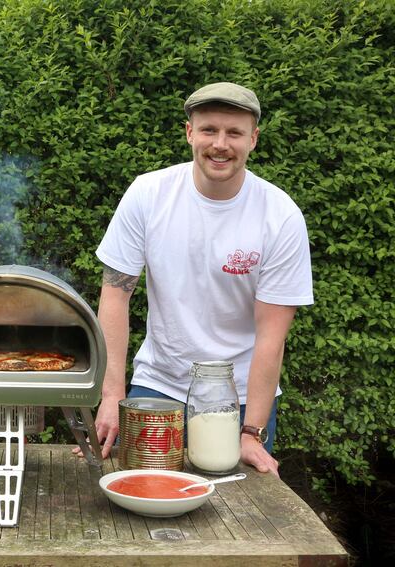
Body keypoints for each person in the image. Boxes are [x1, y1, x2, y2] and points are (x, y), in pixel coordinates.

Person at [87, 82, 313, 476]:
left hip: (239, 399)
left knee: (240, 514)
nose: (220, 144)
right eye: (209, 130)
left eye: (234, 133)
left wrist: (251, 432)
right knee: (132, 501)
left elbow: (272, 336)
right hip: (158, 385)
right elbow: (115, 297)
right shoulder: (148, 194)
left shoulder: (281, 216)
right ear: (189, 132)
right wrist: (111, 396)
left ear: (253, 139)